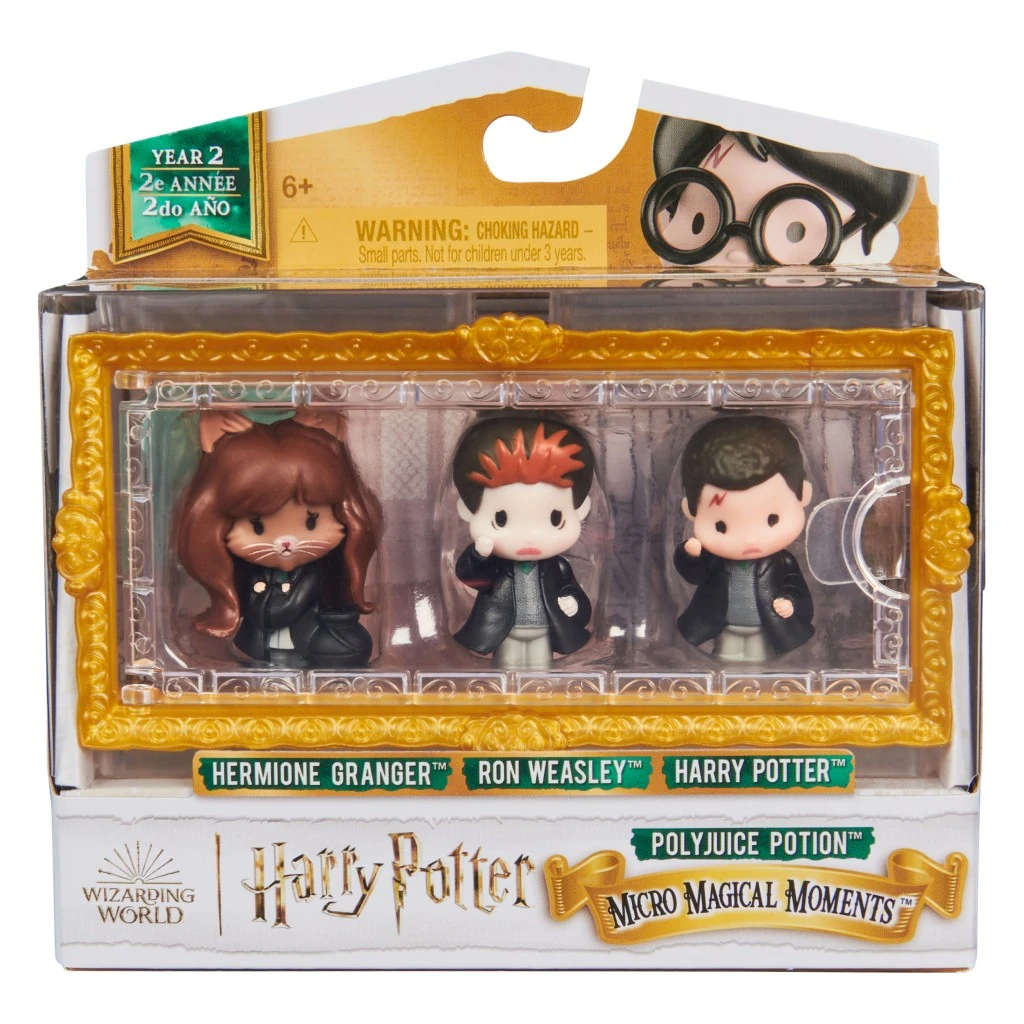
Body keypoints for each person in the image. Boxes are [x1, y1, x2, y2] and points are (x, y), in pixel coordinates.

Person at [451, 416, 595, 670]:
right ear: (467, 511)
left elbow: (572, 591)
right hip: (505, 630)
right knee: (506, 674)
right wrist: (479, 555)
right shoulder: (496, 566)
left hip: (544, 630)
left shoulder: (558, 567)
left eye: (555, 518)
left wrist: (574, 603)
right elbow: (472, 578)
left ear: (580, 510)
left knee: (540, 676)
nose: (529, 536)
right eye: (500, 519)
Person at [675, 415, 814, 661]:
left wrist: (791, 603)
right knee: (724, 660)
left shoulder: (783, 563)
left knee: (760, 663)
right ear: (690, 511)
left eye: (772, 519)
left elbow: (798, 590)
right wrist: (691, 556)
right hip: (723, 624)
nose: (749, 539)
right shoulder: (715, 561)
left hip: (765, 626)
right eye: (721, 526)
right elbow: (695, 576)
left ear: (803, 494)